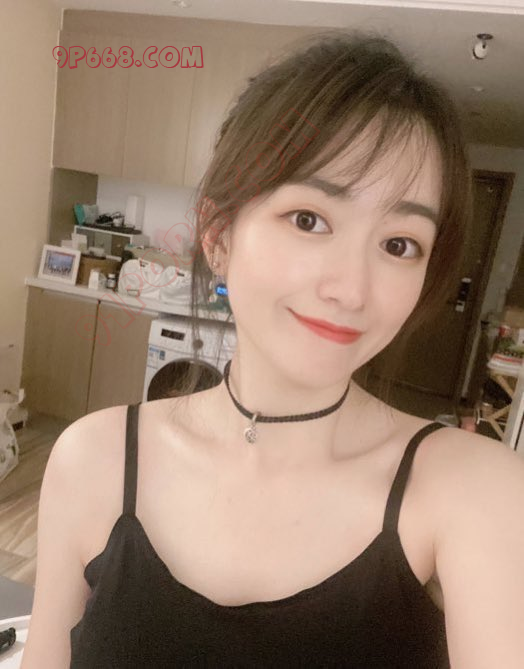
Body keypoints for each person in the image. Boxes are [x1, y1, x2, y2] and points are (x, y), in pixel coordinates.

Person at [22, 31, 524, 668]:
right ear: (218, 235)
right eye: (309, 220)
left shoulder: (473, 490)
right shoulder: (93, 459)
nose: (351, 290)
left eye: (399, 245)